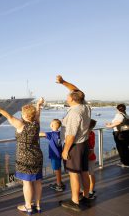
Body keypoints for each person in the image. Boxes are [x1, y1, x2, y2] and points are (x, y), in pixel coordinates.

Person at [0, 98, 44, 215]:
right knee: (38, 181)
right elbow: (38, 114)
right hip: (37, 156)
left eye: (22, 113)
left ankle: (28, 207)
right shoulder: (36, 124)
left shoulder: (21, 125)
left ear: (24, 115)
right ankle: (38, 205)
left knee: (27, 182)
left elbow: (9, 116)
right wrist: (38, 105)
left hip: (24, 158)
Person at [56, 75, 91, 212]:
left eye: (68, 95)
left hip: (74, 147)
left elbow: (70, 135)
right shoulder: (85, 106)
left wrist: (65, 151)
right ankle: (86, 196)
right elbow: (77, 90)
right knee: (84, 171)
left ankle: (75, 201)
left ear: (71, 99)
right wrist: (63, 82)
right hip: (84, 144)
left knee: (74, 173)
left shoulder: (74, 113)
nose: (66, 97)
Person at [40, 119, 65, 192]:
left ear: (52, 125)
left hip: (54, 155)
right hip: (59, 154)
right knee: (59, 168)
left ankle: (59, 185)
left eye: (51, 123)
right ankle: (60, 181)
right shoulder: (60, 133)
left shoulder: (52, 134)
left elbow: (41, 134)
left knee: (57, 169)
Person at [87, 119, 97, 199]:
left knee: (90, 175)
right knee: (90, 174)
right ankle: (90, 190)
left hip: (89, 158)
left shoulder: (87, 135)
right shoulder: (92, 133)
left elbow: (91, 149)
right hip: (92, 158)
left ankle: (90, 191)